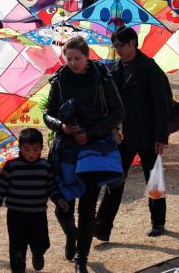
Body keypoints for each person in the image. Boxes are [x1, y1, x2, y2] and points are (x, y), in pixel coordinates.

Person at [44, 36, 124, 273]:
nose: (73, 63)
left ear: (87, 56)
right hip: (66, 149)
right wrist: (62, 126)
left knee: (87, 207)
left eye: (77, 58)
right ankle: (72, 235)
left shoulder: (102, 78)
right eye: (68, 59)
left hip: (95, 148)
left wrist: (90, 134)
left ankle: (82, 256)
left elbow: (118, 112)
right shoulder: (59, 80)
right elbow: (48, 114)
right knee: (62, 205)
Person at [94, 26, 171, 241]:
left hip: (148, 134)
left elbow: (163, 105)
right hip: (122, 135)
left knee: (153, 178)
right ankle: (102, 227)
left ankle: (158, 222)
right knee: (115, 180)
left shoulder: (150, 69)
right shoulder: (115, 70)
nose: (117, 50)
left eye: (120, 45)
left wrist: (162, 136)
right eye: (115, 46)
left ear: (132, 43)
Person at [0, 129, 69, 273]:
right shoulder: (12, 166)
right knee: (17, 245)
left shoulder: (45, 167)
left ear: (41, 149)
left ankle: (38, 254)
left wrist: (59, 200)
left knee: (41, 242)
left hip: (37, 215)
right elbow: (1, 187)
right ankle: (18, 268)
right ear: (20, 148)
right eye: (26, 149)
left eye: (35, 149)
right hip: (16, 215)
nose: (31, 153)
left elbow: (52, 187)